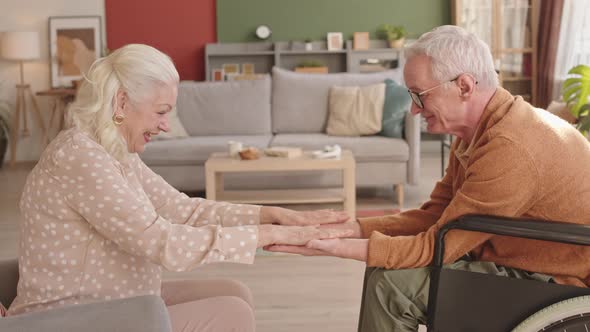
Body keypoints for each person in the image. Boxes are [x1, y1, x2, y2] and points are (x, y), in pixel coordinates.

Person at [7, 44, 352, 331]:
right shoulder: (81, 158)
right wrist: (262, 235)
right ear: (122, 103)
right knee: (232, 314)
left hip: (112, 299)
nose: (166, 126)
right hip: (68, 318)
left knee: (234, 291)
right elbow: (162, 242)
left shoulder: (112, 152)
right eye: (160, 112)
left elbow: (184, 209)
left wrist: (270, 215)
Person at [267, 25, 590, 331]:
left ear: (464, 86)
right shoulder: (477, 131)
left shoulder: (511, 147)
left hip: (557, 280)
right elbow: (436, 216)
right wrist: (351, 228)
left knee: (390, 285)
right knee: (388, 270)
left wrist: (332, 246)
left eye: (420, 95)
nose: (413, 110)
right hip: (520, 257)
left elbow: (439, 246)